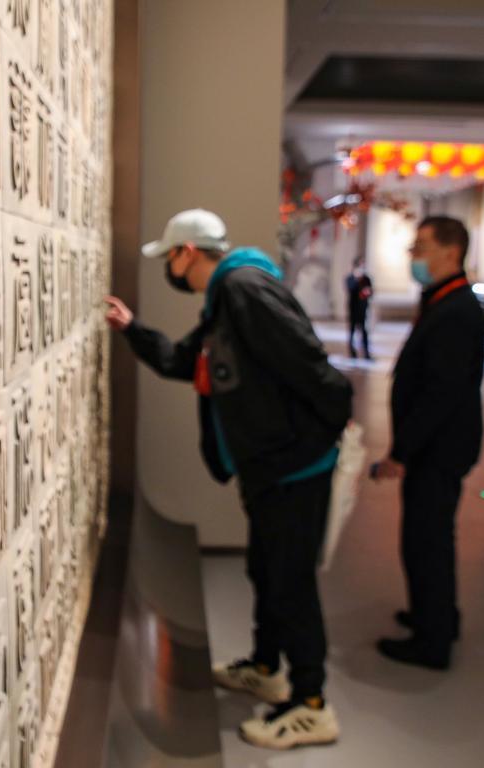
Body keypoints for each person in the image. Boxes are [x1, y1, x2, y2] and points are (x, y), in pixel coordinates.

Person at [104, 209, 352, 749]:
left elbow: (309, 364)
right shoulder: (224, 298)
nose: (169, 269)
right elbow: (182, 361)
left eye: (169, 257)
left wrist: (324, 430)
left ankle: (311, 705)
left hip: (293, 468)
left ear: (187, 252)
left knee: (290, 582)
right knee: (267, 570)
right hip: (268, 468)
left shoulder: (243, 289)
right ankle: (266, 668)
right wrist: (132, 329)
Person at [372, 216, 484, 670]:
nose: (413, 257)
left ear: (451, 253)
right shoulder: (443, 300)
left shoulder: (456, 309)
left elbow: (440, 392)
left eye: (421, 247)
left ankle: (431, 640)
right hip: (438, 443)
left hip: (440, 446)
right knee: (431, 535)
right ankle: (435, 615)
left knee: (426, 540)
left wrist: (402, 451)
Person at [345, 258, 374, 360]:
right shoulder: (350, 278)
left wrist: (367, 292)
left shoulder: (366, 279)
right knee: (352, 330)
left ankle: (366, 352)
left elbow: (370, 292)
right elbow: (350, 289)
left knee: (364, 330)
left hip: (363, 308)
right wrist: (357, 280)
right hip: (353, 308)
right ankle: (352, 352)